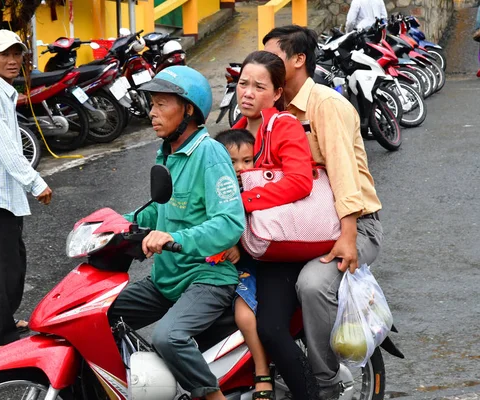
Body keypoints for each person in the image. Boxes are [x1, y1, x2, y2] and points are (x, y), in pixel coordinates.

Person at [107, 66, 245, 400]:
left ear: (188, 110)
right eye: (151, 104)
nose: (152, 112)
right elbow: (160, 208)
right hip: (166, 279)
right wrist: (114, 224)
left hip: (207, 277)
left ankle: (211, 396)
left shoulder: (208, 154)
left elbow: (229, 222)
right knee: (99, 316)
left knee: (169, 337)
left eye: (161, 104)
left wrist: (174, 239)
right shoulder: (168, 154)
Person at [263, 26, 383, 400]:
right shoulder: (274, 106)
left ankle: (326, 384)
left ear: (299, 60)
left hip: (353, 225)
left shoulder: (326, 105)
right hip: (298, 228)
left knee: (312, 285)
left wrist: (349, 237)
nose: (266, 64)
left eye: (273, 57)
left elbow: (344, 173)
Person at [228, 50, 319, 400]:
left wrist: (246, 201)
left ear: (277, 93)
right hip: (242, 245)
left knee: (272, 327)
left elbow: (300, 181)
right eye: (242, 84)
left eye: (258, 86)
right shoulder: (235, 133)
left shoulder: (283, 125)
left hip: (278, 248)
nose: (247, 92)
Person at [0, 29, 53, 353]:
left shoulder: (2, 92)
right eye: (4, 54)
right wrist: (35, 182)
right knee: (5, 267)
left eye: (17, 53)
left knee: (14, 262)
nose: (12, 60)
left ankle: (2, 320)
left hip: (5, 193)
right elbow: (5, 148)